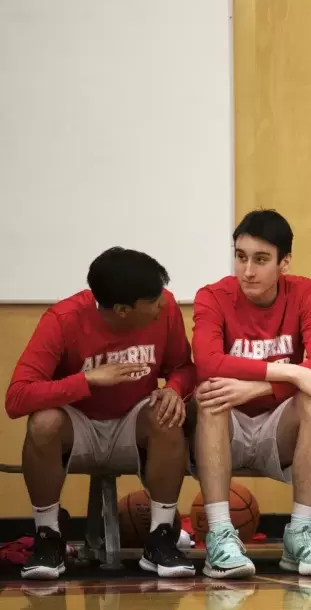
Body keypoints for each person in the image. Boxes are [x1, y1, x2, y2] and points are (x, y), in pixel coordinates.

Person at [5, 247, 196, 580]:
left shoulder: (165, 310)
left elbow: (183, 366)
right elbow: (17, 398)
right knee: (43, 422)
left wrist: (174, 389)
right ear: (122, 310)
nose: (163, 303)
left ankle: (161, 538)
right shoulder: (63, 319)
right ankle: (48, 537)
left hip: (133, 420)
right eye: (152, 300)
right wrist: (87, 380)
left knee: (166, 415)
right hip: (78, 424)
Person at [191, 209, 311, 579]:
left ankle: (299, 533)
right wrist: (290, 371)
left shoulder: (303, 292)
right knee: (211, 393)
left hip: (278, 427)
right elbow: (206, 362)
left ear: (285, 263)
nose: (247, 270)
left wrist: (262, 385)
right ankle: (220, 534)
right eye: (240, 256)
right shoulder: (212, 296)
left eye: (261, 259)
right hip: (227, 425)